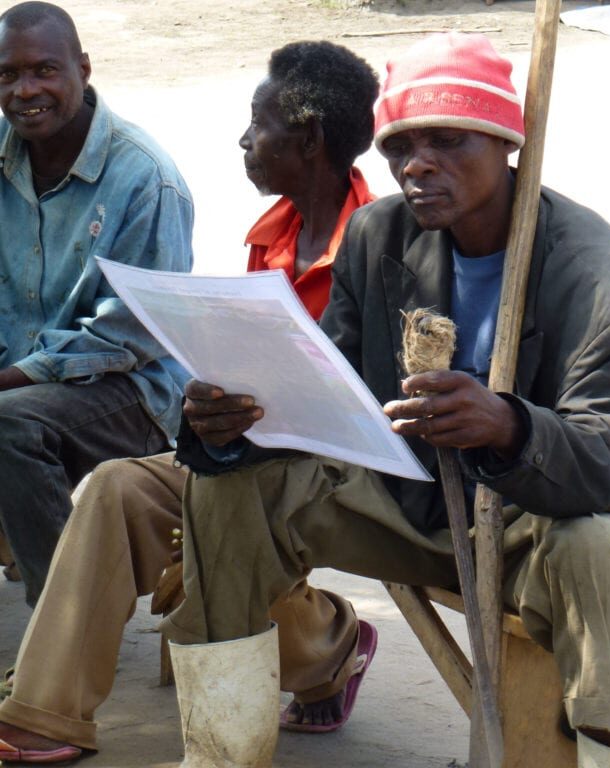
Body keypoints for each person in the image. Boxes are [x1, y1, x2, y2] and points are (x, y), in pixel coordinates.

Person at [162, 31, 610, 768]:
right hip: (404, 501)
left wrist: (508, 426)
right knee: (226, 487)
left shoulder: (592, 273)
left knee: (603, 544)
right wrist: (232, 422)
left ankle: (609, 754)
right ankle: (221, 751)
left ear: (505, 143)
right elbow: (330, 389)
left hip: (535, 529)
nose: (417, 166)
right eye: (401, 148)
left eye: (449, 142)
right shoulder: (378, 234)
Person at [0, 39, 380, 764]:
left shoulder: (379, 242)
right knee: (118, 490)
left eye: (258, 123)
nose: (243, 139)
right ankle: (47, 713)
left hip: (334, 474)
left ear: (307, 139)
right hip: (248, 458)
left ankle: (330, 642)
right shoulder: (271, 238)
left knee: (208, 552)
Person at [0, 1, 193, 606]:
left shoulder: (144, 179)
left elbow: (129, 337)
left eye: (44, 70)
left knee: (9, 427)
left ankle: (64, 630)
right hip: (20, 374)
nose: (25, 90)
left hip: (130, 388)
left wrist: (8, 380)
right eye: (7, 74)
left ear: (82, 68)